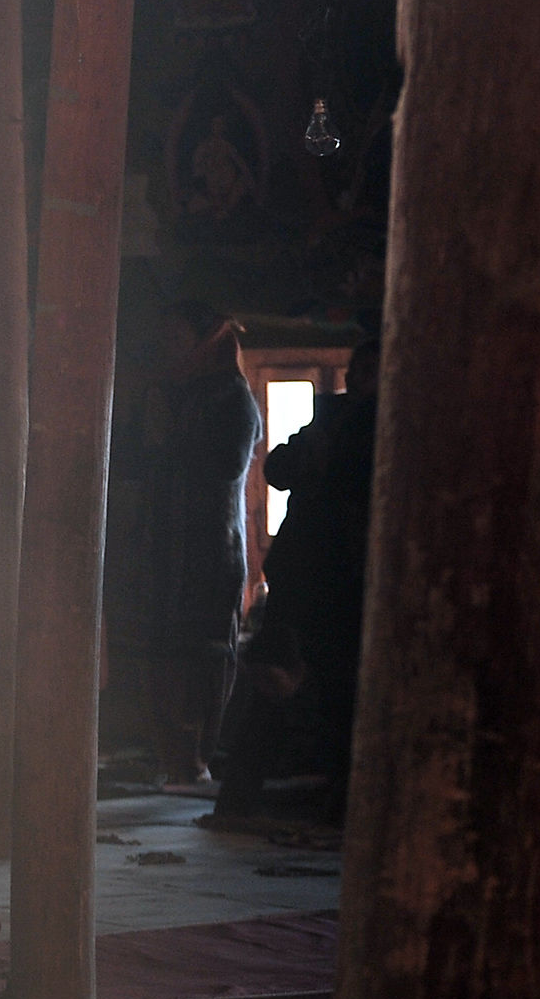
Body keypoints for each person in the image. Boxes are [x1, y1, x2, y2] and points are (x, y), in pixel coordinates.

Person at [215, 340, 376, 821]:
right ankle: (238, 797)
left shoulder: (389, 426)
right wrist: (315, 453)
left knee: (342, 688)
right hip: (307, 568)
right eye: (361, 374)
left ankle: (341, 794)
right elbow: (279, 470)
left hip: (351, 573)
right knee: (275, 677)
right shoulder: (332, 419)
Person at [108, 301, 263, 787]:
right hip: (157, 544)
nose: (167, 348)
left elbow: (224, 468)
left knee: (202, 652)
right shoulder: (163, 393)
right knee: (159, 651)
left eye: (178, 339)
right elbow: (130, 459)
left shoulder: (231, 397)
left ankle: (194, 756)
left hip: (209, 547)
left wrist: (167, 439)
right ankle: (170, 755)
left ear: (205, 342)